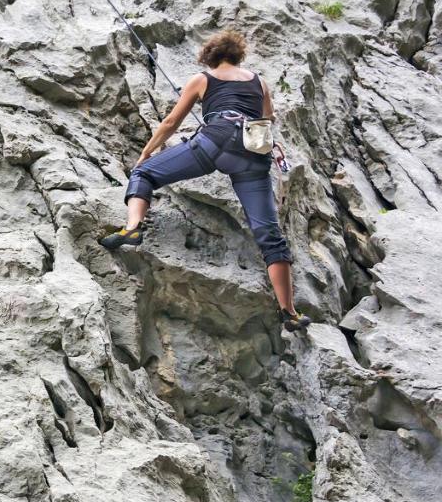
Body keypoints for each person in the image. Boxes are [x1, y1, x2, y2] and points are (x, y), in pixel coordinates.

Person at [100, 30, 311, 332]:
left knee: (144, 173)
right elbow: (268, 117)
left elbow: (171, 122)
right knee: (269, 234)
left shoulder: (203, 79)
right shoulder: (259, 82)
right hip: (253, 154)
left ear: (209, 57)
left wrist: (147, 152)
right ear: (239, 55)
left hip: (216, 142)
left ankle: (132, 229)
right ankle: (289, 312)